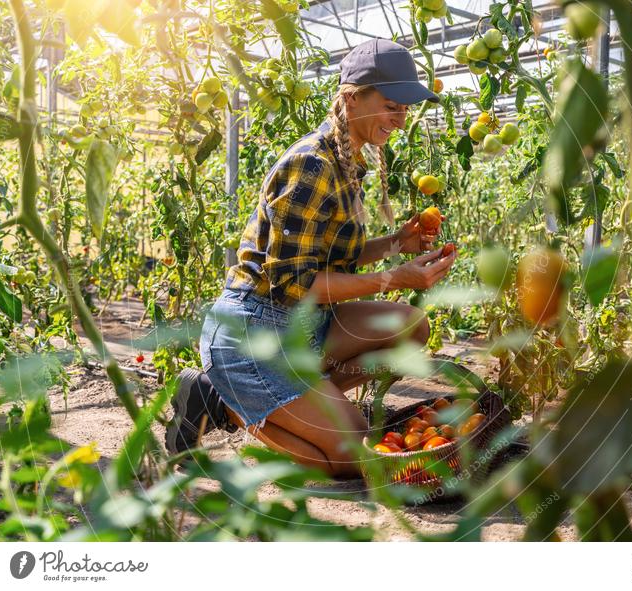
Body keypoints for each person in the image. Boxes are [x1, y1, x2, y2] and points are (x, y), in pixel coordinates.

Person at [165, 39, 457, 478]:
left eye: (405, 109)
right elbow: (294, 282)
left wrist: (397, 242)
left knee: (412, 328)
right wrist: (395, 279)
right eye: (392, 105)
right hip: (255, 333)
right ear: (353, 97)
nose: (400, 119)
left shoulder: (346, 161)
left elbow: (336, 254)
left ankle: (284, 399)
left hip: (305, 326)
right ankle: (231, 407)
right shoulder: (312, 164)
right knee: (354, 458)